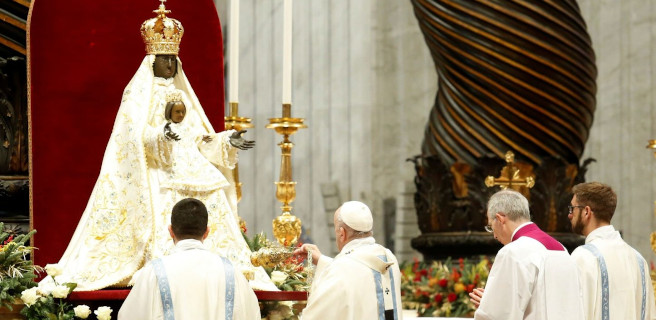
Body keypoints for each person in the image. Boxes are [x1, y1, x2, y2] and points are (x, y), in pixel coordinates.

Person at [47, 2, 275, 291]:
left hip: (192, 168)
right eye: (163, 57)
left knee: (212, 199)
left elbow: (199, 139)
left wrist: (225, 139)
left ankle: (221, 265)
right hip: (158, 171)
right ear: (151, 60)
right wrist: (162, 135)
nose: (169, 63)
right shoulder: (138, 95)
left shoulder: (184, 96)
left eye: (172, 58)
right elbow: (131, 140)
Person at [118, 198, 261, 320]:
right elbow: (251, 314)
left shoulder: (155, 272)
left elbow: (129, 315)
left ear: (171, 231)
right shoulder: (230, 271)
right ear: (206, 232)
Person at [469, 189, 584, 320]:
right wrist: (493, 302)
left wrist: (489, 306)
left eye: (491, 226)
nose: (494, 235)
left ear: (500, 219)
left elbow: (499, 316)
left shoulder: (512, 252)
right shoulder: (561, 249)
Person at [294, 201, 403, 320]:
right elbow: (358, 272)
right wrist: (321, 260)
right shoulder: (389, 257)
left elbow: (315, 317)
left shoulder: (340, 269)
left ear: (342, 233)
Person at [569, 182, 656, 320]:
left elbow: (574, 313)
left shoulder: (584, 257)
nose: (570, 215)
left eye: (572, 208)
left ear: (586, 211)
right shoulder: (638, 259)